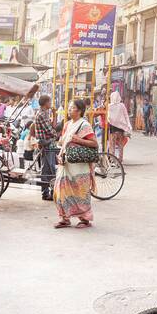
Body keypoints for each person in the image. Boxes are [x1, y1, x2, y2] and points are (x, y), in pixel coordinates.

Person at [54, 98, 98, 229]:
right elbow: (63, 141)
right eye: (69, 107)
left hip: (79, 166)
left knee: (80, 192)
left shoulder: (85, 125)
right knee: (60, 189)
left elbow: (94, 144)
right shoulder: (67, 124)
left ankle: (85, 219)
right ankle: (64, 218)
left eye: (72, 108)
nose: (69, 110)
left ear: (79, 111)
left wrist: (78, 140)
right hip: (65, 163)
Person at [31, 94, 59, 201]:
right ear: (46, 103)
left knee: (49, 168)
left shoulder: (45, 113)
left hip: (49, 143)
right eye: (50, 102)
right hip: (46, 144)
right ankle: (46, 193)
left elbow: (53, 127)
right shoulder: (41, 114)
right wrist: (56, 134)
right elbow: (50, 130)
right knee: (48, 169)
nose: (51, 104)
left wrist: (55, 115)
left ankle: (50, 192)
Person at [107, 91, 132, 162]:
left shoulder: (109, 106)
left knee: (112, 145)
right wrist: (128, 125)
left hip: (112, 129)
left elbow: (108, 117)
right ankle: (120, 159)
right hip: (121, 129)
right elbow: (126, 116)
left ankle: (112, 160)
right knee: (121, 145)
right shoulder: (122, 105)